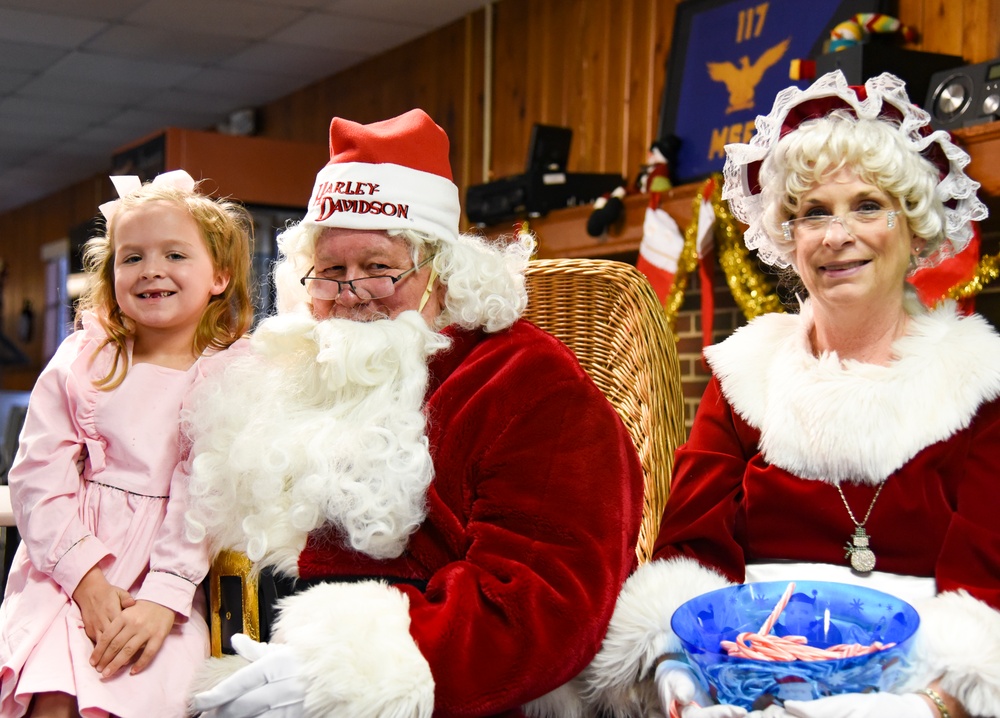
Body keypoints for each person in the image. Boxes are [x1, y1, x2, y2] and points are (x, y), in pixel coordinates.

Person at [184, 108, 645, 717]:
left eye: (379, 267)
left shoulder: (528, 385)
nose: (350, 294)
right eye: (330, 273)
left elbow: (543, 600)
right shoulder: (292, 370)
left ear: (443, 273)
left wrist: (343, 676)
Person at [580, 71, 1000, 718]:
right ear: (789, 241)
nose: (836, 235)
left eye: (867, 205)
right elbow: (688, 554)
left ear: (916, 230)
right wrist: (675, 673)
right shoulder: (745, 375)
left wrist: (918, 708)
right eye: (812, 214)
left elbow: (988, 598)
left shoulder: (981, 386)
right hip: (740, 684)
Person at [0, 170, 254, 718]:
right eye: (131, 257)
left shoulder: (232, 373)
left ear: (220, 275)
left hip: (170, 575)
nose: (151, 270)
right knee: (53, 691)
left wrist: (163, 598)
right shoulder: (83, 359)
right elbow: (36, 476)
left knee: (143, 685)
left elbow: (206, 494)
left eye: (175, 255)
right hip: (67, 567)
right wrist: (86, 582)